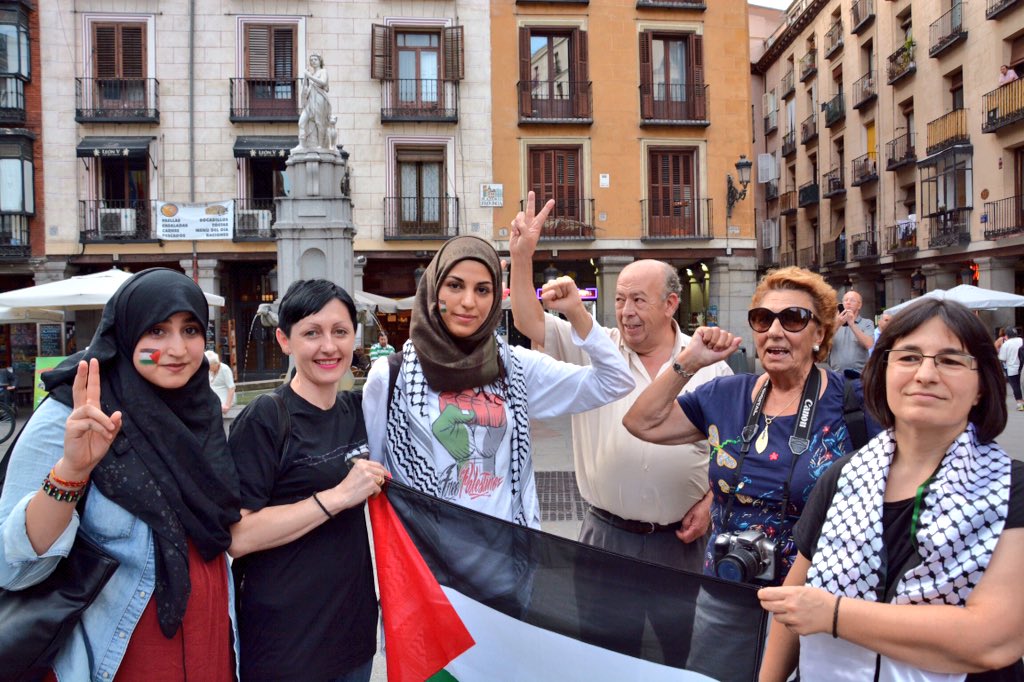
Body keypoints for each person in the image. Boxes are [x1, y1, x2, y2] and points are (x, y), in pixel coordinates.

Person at [509, 193, 731, 663]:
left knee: (682, 658)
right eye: (620, 299)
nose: (626, 311)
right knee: (606, 658)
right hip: (606, 539)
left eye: (639, 300)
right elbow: (530, 320)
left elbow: (733, 450)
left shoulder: (708, 364)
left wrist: (712, 503)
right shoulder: (596, 347)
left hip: (681, 544)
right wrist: (522, 256)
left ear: (671, 304)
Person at [758, 298, 1024, 681]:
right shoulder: (843, 476)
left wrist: (834, 614)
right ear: (883, 373)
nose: (926, 374)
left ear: (982, 386)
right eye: (909, 358)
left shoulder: (1010, 487)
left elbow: (992, 640)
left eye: (950, 361)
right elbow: (792, 610)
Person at [0, 268, 241, 679]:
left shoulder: (199, 411)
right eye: (157, 331)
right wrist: (73, 470)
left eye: (190, 330)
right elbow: (14, 566)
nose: (177, 349)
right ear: (127, 334)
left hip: (210, 642)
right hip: (119, 656)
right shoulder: (73, 413)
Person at [363, 234, 634, 528]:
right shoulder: (391, 377)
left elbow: (616, 381)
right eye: (455, 286)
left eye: (482, 290)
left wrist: (577, 313)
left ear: (494, 299)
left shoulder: (514, 368)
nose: (468, 302)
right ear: (433, 289)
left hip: (502, 550)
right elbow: (373, 478)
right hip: (420, 550)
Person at [228, 279, 389, 682]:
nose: (329, 347)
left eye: (340, 332)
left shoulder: (358, 409)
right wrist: (338, 496)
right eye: (312, 333)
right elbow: (238, 536)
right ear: (285, 340)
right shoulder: (266, 416)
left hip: (353, 634)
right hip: (286, 642)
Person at [829, 289, 875, 376]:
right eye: (845, 300)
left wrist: (852, 325)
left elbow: (869, 344)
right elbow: (823, 342)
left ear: (859, 305)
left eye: (852, 300)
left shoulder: (867, 323)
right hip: (836, 375)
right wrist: (837, 324)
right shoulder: (833, 323)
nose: (848, 303)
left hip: (859, 375)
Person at [297, 53, 331, 150]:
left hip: (319, 99)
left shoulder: (323, 71)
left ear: (320, 61)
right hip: (310, 101)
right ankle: (301, 145)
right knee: (301, 122)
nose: (313, 61)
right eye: (311, 60)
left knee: (319, 122)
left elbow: (323, 82)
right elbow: (305, 88)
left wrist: (309, 76)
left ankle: (320, 145)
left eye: (315, 59)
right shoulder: (311, 74)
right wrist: (306, 77)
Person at [997, 327, 1024, 411]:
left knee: (1016, 386)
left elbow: (1002, 358)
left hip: (1012, 368)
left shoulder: (1006, 344)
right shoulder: (1021, 340)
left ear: (1007, 335)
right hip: (1022, 367)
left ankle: (1020, 404)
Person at [206, 349, 235, 414]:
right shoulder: (210, 371)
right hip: (212, 397)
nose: (208, 368)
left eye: (209, 366)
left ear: (215, 363)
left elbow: (231, 388)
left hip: (224, 398)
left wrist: (227, 405)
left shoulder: (224, 369)